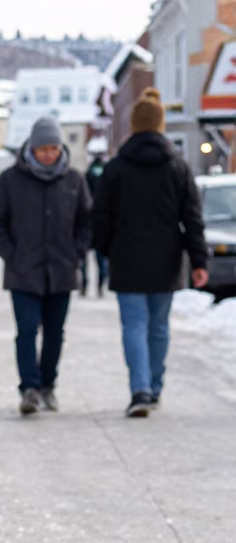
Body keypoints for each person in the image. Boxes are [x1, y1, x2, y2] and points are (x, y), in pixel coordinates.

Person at [92, 87, 209, 417]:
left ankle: (140, 389)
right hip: (166, 257)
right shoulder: (178, 167)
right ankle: (154, 387)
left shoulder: (116, 168)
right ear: (160, 125)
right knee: (158, 326)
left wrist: (105, 249)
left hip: (126, 256)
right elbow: (192, 218)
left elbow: (101, 216)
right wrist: (198, 259)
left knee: (133, 326)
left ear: (133, 124)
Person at [0, 117, 92, 415]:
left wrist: (76, 253)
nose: (48, 154)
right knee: (28, 330)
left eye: (53, 148)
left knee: (55, 333)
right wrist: (11, 254)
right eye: (42, 149)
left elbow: (87, 221)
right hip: (24, 271)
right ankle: (28, 388)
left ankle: (48, 385)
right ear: (32, 148)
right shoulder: (10, 181)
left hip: (61, 270)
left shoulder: (74, 181)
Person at [82, 154, 109, 296]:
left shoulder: (86, 176)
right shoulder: (107, 177)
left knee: (84, 259)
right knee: (101, 259)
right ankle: (100, 286)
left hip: (87, 221)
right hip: (100, 224)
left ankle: (84, 285)